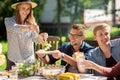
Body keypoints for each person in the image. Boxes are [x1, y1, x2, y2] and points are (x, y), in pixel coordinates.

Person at [4, 0, 48, 70]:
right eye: (23, 8)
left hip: (28, 61)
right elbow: (16, 28)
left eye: (28, 9)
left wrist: (42, 36)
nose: (26, 11)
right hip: (13, 60)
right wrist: (30, 27)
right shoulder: (9, 21)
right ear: (18, 8)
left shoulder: (31, 23)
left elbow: (36, 39)